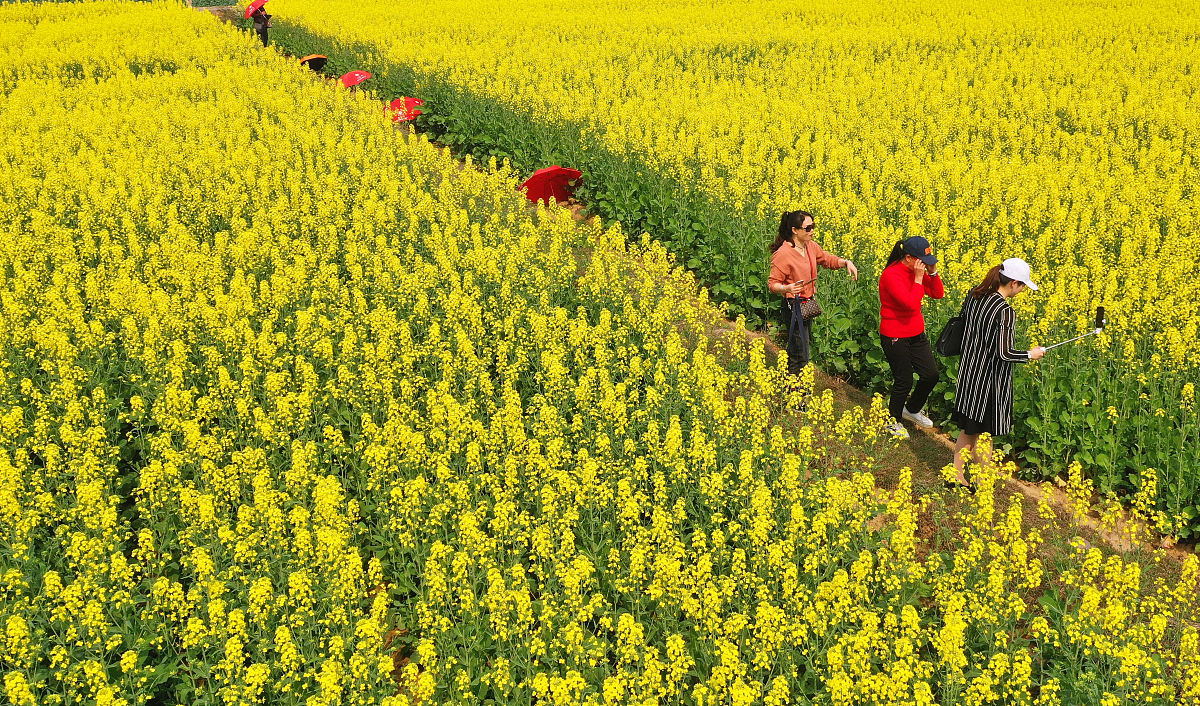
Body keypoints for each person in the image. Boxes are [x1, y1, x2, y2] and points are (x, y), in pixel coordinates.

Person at [950, 257, 1046, 488]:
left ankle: (955, 474)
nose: (1023, 290)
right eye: (1022, 285)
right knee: (984, 434)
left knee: (969, 427)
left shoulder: (975, 294)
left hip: (968, 373)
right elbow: (1004, 353)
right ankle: (982, 482)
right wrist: (1029, 354)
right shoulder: (1004, 311)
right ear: (1013, 283)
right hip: (988, 382)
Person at [768, 210, 858, 377]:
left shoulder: (810, 246)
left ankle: (796, 386)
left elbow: (826, 259)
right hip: (793, 306)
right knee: (799, 352)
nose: (812, 231)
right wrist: (786, 288)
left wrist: (845, 262)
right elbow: (773, 284)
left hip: (807, 304)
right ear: (795, 230)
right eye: (808, 228)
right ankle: (795, 393)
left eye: (813, 227)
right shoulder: (783, 254)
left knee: (801, 347)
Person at [878, 236, 944, 439]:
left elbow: (937, 294)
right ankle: (892, 421)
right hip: (895, 335)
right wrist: (918, 278)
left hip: (916, 333)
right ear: (909, 257)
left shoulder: (919, 270)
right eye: (924, 261)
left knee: (931, 374)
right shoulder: (891, 275)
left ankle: (912, 409)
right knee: (903, 380)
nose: (926, 265)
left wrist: (932, 274)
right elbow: (911, 304)